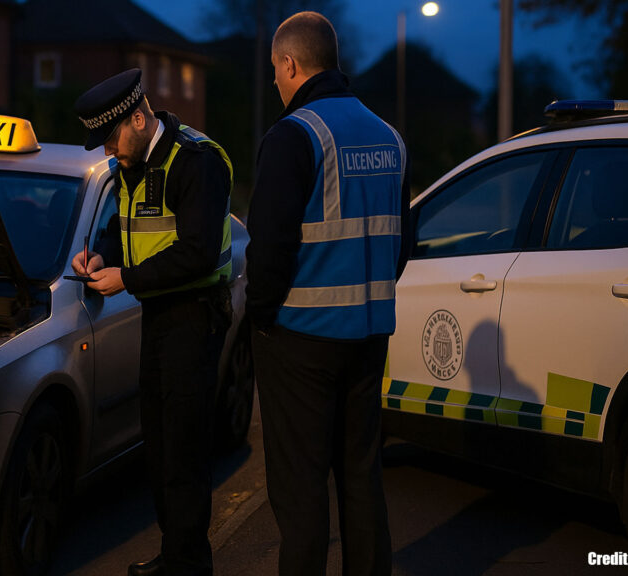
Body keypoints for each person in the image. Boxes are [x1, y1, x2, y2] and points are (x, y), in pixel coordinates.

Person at [245, 12, 411, 576]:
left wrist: (261, 319)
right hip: (368, 337)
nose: (274, 81)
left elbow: (268, 249)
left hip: (300, 341)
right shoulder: (390, 138)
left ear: (291, 64)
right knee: (362, 477)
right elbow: (402, 242)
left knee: (301, 488)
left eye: (275, 70)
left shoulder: (293, 136)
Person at [72, 69, 234, 576]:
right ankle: (175, 555)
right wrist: (101, 258)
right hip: (160, 315)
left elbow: (199, 254)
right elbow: (129, 233)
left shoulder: (197, 161)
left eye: (110, 138)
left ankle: (190, 563)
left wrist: (127, 279)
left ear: (138, 118)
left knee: (184, 452)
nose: (105, 152)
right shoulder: (132, 165)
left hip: (195, 316)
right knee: (161, 446)